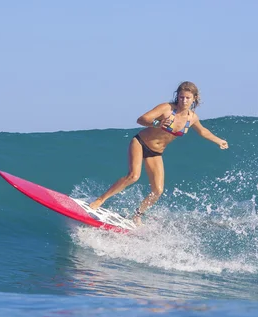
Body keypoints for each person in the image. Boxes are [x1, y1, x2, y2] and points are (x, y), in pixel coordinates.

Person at [89, 81, 229, 225]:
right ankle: (101, 199)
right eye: (181, 97)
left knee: (158, 190)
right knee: (133, 176)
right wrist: (157, 124)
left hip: (155, 153)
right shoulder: (167, 108)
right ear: (177, 96)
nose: (184, 101)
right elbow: (141, 119)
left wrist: (219, 141)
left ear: (194, 98)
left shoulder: (192, 118)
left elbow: (203, 131)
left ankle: (137, 215)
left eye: (187, 98)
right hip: (140, 143)